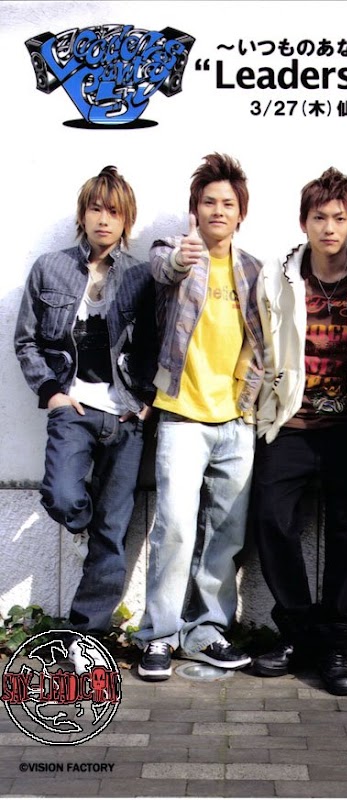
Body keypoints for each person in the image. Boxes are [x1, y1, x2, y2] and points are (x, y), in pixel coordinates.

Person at [14, 166, 157, 670]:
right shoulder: (50, 268)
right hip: (72, 410)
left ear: (126, 220)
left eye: (114, 212)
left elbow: (160, 343)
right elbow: (26, 340)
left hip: (125, 415)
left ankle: (86, 636)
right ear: (83, 213)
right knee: (62, 495)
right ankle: (84, 526)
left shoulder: (141, 276)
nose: (104, 219)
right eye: (96, 208)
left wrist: (148, 400)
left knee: (112, 533)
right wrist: (52, 393)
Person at [251, 167, 347, 696]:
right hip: (291, 421)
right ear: (303, 222)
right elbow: (259, 344)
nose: (329, 227)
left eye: (339, 218)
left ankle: (335, 646)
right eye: (319, 217)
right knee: (271, 517)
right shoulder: (277, 276)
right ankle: (299, 631)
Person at [134, 153, 264, 681]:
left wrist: (252, 403)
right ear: (195, 209)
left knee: (226, 535)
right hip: (182, 417)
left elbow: (262, 342)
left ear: (240, 213)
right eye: (209, 202)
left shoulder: (253, 270)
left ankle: (207, 631)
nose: (218, 210)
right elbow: (163, 268)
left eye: (227, 203)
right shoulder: (175, 251)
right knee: (174, 529)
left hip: (236, 420)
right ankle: (159, 636)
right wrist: (181, 258)